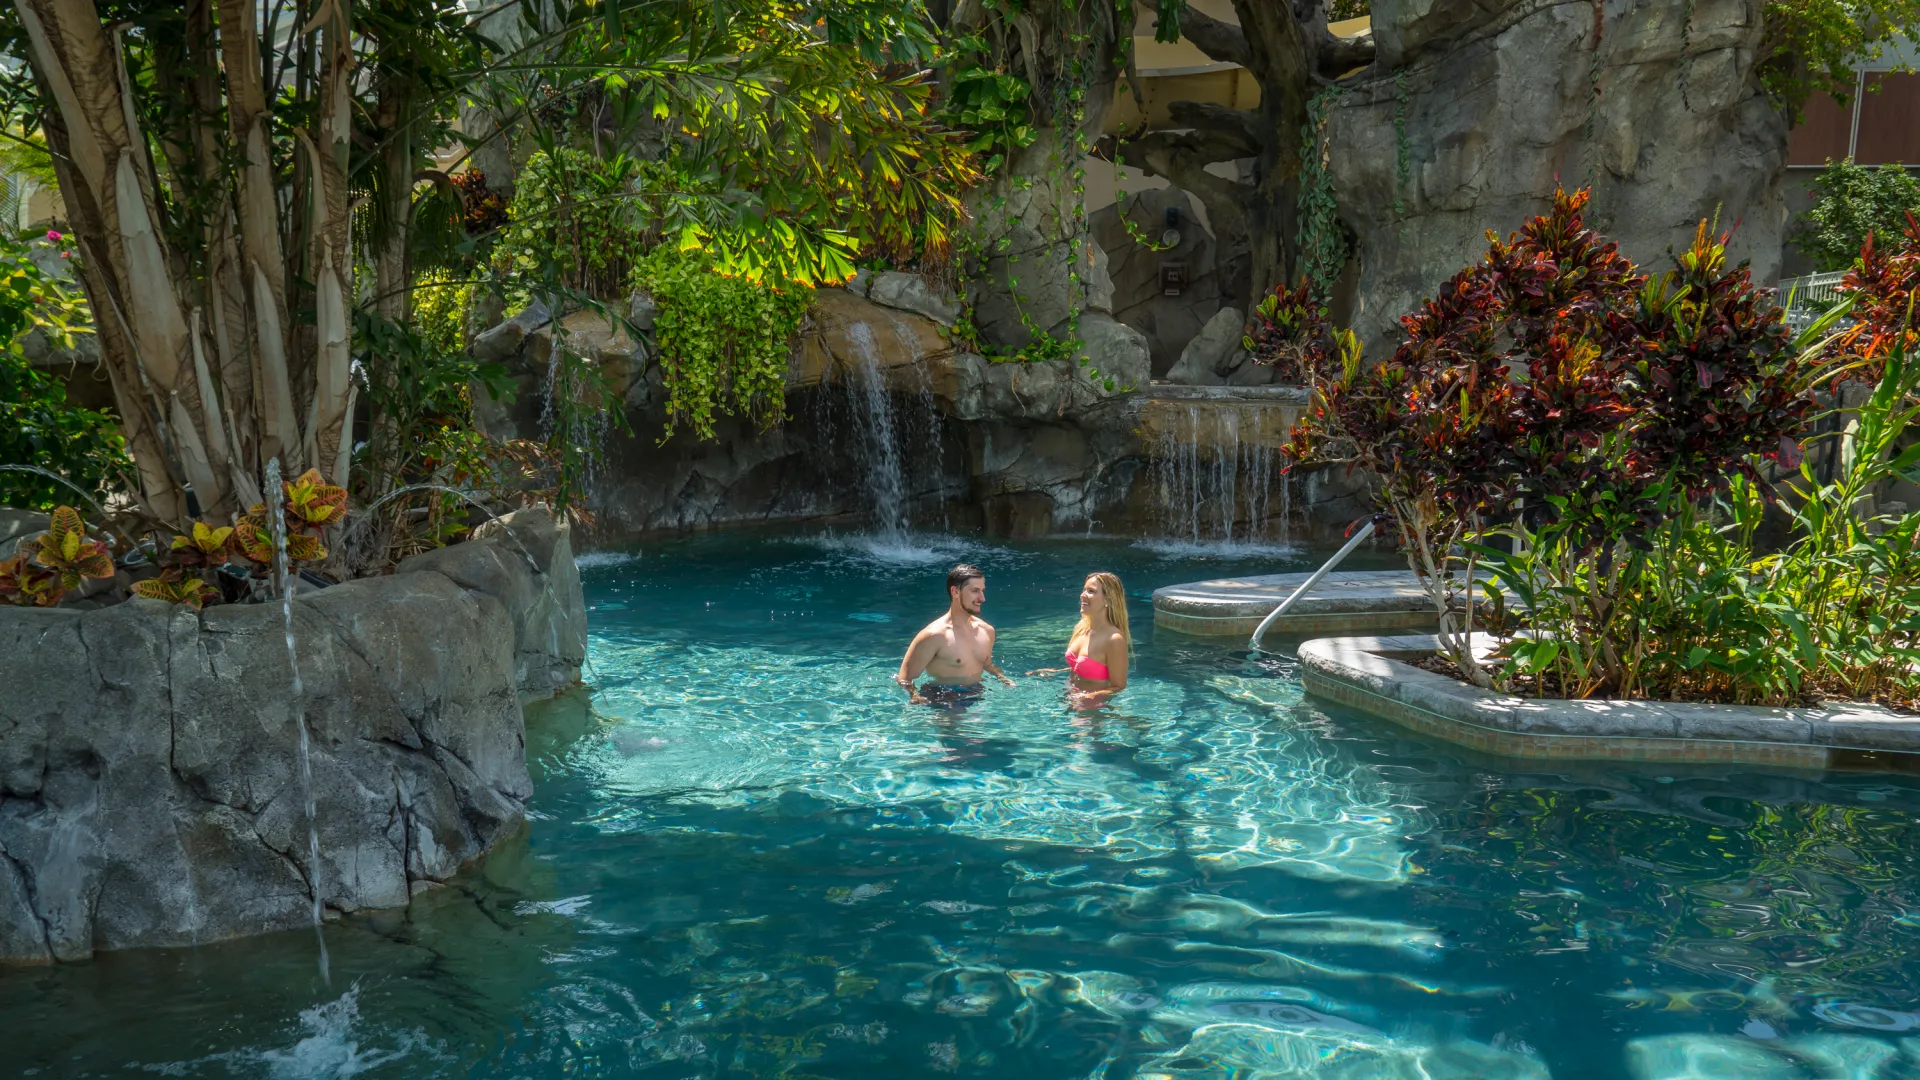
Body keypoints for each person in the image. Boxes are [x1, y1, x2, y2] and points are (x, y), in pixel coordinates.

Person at [897, 563, 1014, 704]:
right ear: (955, 592)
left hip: (977, 691)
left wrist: (1003, 678)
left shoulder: (987, 631)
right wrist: (915, 696)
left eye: (982, 590)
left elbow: (986, 664)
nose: (982, 598)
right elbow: (905, 678)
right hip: (944, 697)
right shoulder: (935, 635)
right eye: (975, 591)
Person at [1030, 572, 1130, 707]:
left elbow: (1119, 686)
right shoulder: (1081, 627)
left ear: (1108, 600)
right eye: (1084, 590)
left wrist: (1089, 696)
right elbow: (1084, 667)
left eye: (1091, 591)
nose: (1083, 595)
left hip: (1093, 710)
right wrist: (1054, 672)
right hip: (1068, 698)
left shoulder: (1114, 639)